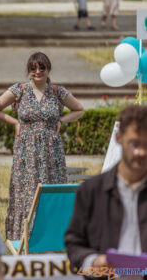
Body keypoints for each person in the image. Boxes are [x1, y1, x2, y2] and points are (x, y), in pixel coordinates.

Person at [0, 52, 84, 241]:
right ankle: (24, 237)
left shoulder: (58, 92)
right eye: (33, 68)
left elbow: (79, 109)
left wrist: (62, 120)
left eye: (42, 67)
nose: (38, 71)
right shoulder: (20, 90)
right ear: (28, 70)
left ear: (48, 69)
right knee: (25, 190)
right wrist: (15, 123)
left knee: (51, 187)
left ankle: (51, 236)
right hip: (26, 148)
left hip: (52, 150)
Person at [65, 105, 147, 272]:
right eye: (134, 144)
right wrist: (94, 262)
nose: (140, 152)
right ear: (118, 138)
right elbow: (74, 243)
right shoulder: (91, 191)